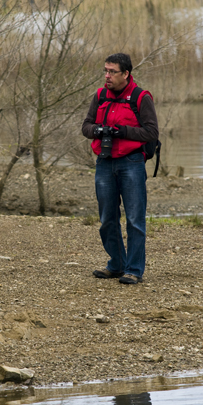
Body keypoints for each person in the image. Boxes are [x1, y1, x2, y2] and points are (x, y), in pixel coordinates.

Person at [82, 53, 158, 284]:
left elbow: (152, 132)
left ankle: (134, 270)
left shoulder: (141, 97)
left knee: (135, 219)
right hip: (104, 163)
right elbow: (85, 126)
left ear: (126, 74)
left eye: (112, 72)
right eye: (105, 70)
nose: (107, 76)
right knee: (107, 218)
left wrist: (121, 131)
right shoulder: (100, 95)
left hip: (131, 163)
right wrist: (98, 131)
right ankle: (116, 265)